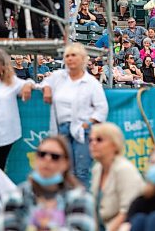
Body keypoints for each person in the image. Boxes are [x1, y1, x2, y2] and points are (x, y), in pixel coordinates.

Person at [42, 43, 109, 187]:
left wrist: (88, 123)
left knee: (81, 171)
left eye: (74, 55)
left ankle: (81, 204)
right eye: (67, 56)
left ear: (83, 58)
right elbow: (45, 82)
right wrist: (47, 88)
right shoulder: (59, 77)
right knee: (62, 169)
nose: (70, 59)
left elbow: (102, 108)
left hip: (82, 130)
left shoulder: (91, 82)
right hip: (61, 130)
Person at [0, 136, 95, 230]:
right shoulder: (16, 195)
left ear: (65, 163)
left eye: (55, 157)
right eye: (42, 154)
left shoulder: (79, 198)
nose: (47, 159)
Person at [90, 123, 145, 231]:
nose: (93, 143)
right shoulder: (97, 169)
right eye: (90, 140)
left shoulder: (124, 169)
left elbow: (127, 211)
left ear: (114, 144)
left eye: (99, 140)